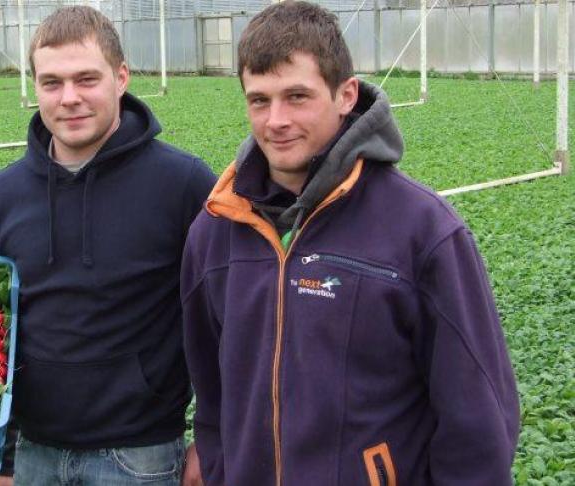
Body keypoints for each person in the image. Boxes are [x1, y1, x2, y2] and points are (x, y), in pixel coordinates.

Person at [180, 2, 520, 485]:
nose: (275, 120)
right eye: (259, 99)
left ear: (345, 95)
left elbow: (478, 415)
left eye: (297, 96)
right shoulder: (216, 229)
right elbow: (211, 392)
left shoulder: (422, 229)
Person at [0, 6, 216, 486]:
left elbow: (224, 320)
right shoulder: (2, 196)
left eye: (86, 79)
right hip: (33, 453)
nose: (69, 98)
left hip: (139, 454)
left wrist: (214, 437)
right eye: (51, 83)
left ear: (121, 77)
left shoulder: (183, 183)